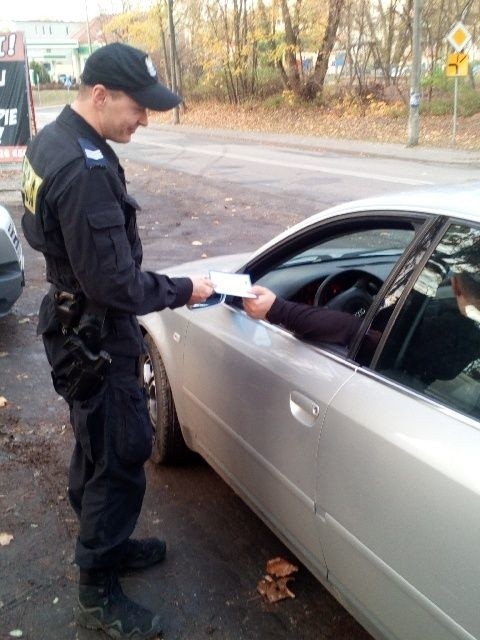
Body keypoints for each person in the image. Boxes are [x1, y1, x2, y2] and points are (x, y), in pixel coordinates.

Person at [21, 43, 214, 640]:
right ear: (100, 96)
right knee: (122, 455)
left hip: (72, 322)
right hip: (99, 337)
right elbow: (117, 284)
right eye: (139, 107)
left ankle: (105, 542)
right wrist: (186, 289)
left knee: (95, 443)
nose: (146, 120)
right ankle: (97, 591)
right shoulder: (85, 169)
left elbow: (34, 230)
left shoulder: (52, 140)